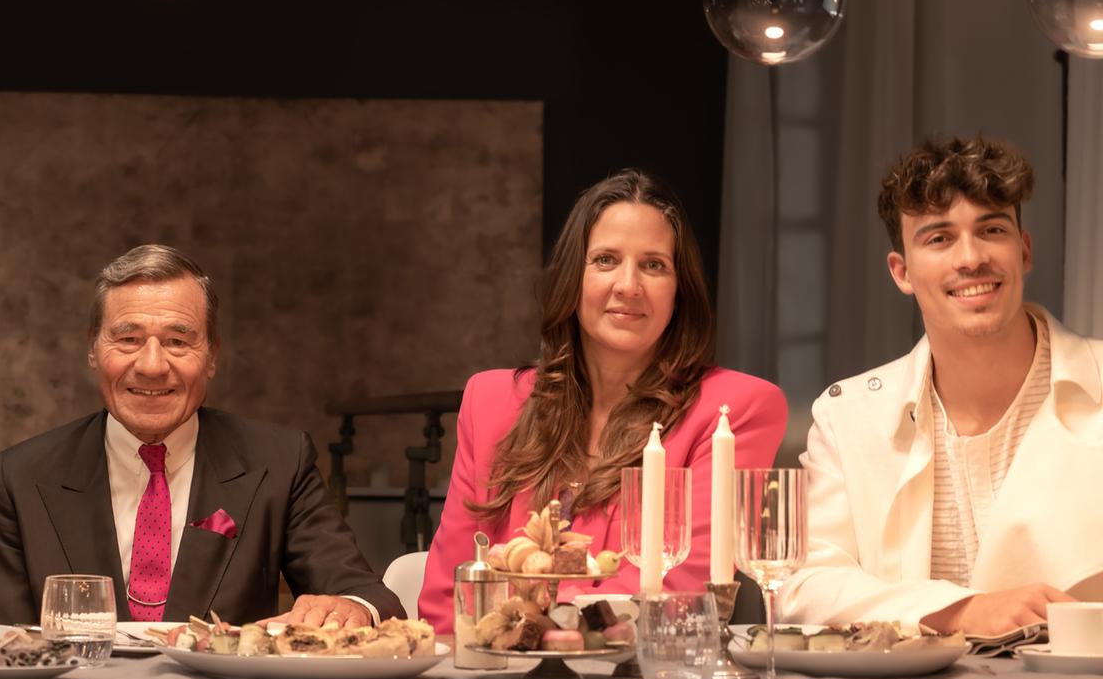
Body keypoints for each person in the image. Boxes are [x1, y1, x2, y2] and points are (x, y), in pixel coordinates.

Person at [418, 170, 787, 627]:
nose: (628, 285)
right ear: (574, 277)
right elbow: (445, 600)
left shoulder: (737, 408)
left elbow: (678, 593)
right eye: (606, 260)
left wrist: (527, 617)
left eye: (654, 265)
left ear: (680, 291)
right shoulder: (491, 400)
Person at [779, 137, 1102, 632]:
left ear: (1024, 250)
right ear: (902, 271)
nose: (970, 258)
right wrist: (965, 610)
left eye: (992, 229)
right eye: (939, 238)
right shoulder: (847, 418)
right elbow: (803, 587)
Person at [0, 244, 402, 628]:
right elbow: (10, 641)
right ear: (93, 349)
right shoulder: (22, 477)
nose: (151, 365)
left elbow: (365, 594)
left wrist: (352, 608)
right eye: (128, 339)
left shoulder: (279, 462)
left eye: (178, 341)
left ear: (212, 356)